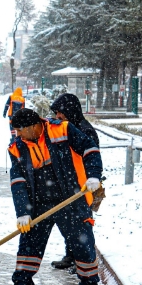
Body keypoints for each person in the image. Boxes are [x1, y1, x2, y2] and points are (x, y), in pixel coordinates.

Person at [1, 108, 103, 285]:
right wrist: (23, 212)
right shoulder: (17, 147)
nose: (17, 135)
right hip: (38, 203)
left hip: (71, 197)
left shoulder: (62, 130)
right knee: (29, 244)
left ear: (33, 127)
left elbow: (89, 149)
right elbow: (18, 181)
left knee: (82, 244)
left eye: (20, 130)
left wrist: (93, 175)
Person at [48, 93, 101, 272]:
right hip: (70, 183)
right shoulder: (67, 127)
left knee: (82, 225)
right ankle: (72, 256)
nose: (57, 117)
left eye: (59, 113)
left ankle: (82, 261)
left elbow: (91, 155)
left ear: (69, 111)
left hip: (83, 184)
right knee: (70, 224)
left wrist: (91, 178)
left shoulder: (84, 129)